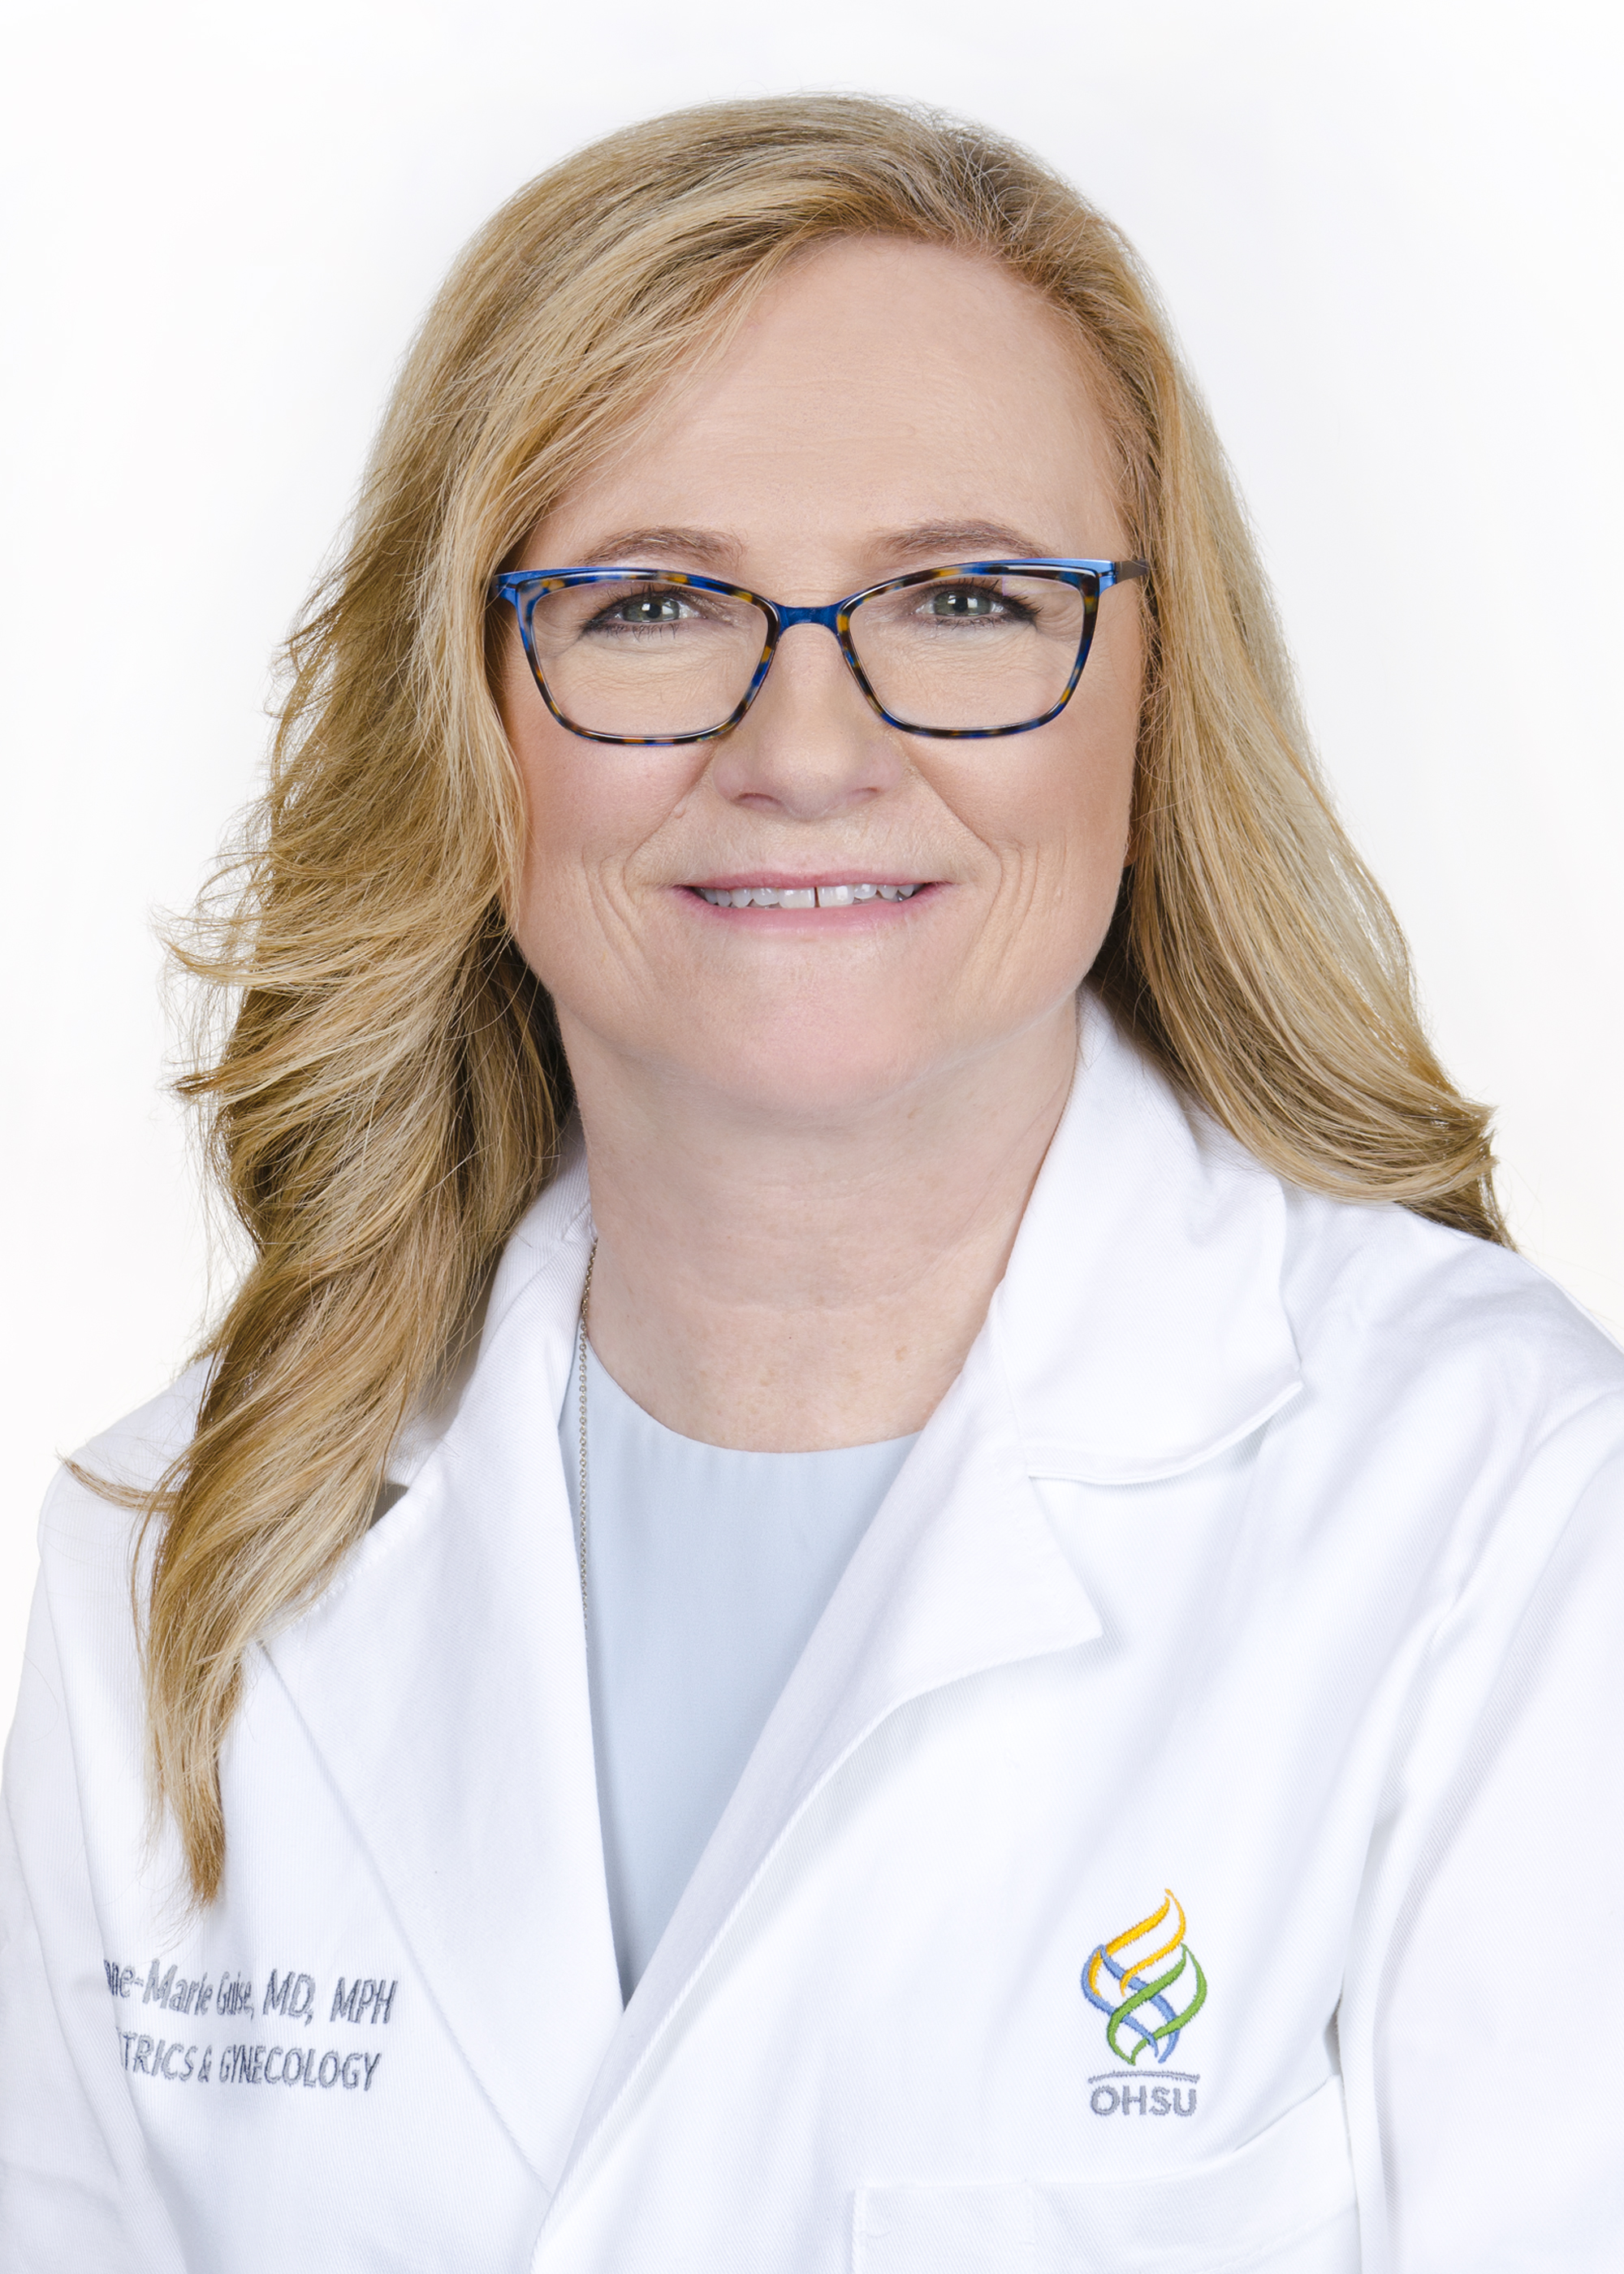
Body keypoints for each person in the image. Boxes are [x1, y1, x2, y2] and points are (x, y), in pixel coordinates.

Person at [2, 92, 1618, 2274]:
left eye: (964, 598)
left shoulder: (1503, 1512)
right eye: (655, 603)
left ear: (1158, 699)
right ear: (466, 714)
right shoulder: (173, 1552)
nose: (806, 749)